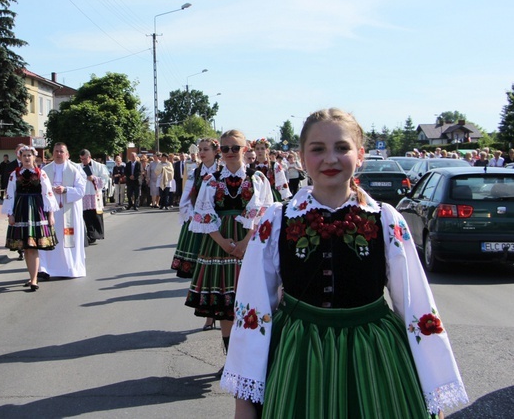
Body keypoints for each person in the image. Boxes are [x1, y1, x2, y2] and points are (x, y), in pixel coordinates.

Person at [222, 108, 468, 418]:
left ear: (360, 154)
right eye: (318, 149)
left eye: (342, 147)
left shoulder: (385, 219)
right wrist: (244, 404)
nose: (330, 158)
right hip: (299, 356)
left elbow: (416, 307)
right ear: (300, 157)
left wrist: (434, 395)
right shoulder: (277, 220)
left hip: (375, 356)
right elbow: (253, 311)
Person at [186, 130, 274, 377]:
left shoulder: (257, 178)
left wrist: (245, 241)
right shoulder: (211, 179)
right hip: (218, 243)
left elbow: (264, 212)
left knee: (251, 301)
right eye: (225, 148)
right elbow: (203, 212)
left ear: (245, 150)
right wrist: (224, 242)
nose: (230, 153)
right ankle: (231, 361)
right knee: (226, 304)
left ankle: (254, 359)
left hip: (251, 242)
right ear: (219, 151)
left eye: (235, 148)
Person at [171, 138, 220, 331]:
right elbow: (186, 199)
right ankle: (208, 317)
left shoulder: (222, 172)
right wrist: (195, 217)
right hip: (200, 226)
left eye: (205, 149)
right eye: (200, 149)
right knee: (202, 271)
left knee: (218, 270)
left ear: (216, 151)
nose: (201, 152)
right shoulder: (195, 172)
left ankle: (223, 312)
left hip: (219, 226)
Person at [2, 145, 59, 291]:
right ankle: (32, 276)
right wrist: (11, 214)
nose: (27, 158)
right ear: (20, 157)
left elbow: (48, 194)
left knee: (33, 246)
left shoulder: (41, 173)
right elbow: (10, 195)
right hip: (21, 210)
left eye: (29, 155)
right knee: (27, 247)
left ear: (34, 157)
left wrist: (50, 214)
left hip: (36, 211)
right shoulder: (14, 174)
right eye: (24, 155)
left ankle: (34, 279)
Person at [41, 142, 88, 278]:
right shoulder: (45, 170)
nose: (58, 154)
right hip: (52, 212)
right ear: (52, 153)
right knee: (53, 239)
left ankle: (71, 268)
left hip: (70, 212)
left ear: (67, 154)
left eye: (61, 151)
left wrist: (65, 189)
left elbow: (81, 190)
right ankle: (49, 269)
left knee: (68, 239)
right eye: (56, 151)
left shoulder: (75, 169)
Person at [79, 149, 110, 244]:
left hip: (95, 194)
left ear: (89, 157)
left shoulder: (99, 166)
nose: (83, 161)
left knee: (96, 215)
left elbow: (105, 178)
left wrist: (94, 178)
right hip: (84, 194)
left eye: (84, 159)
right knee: (86, 216)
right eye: (81, 159)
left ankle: (97, 234)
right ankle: (90, 235)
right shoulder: (78, 167)